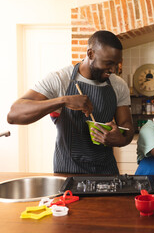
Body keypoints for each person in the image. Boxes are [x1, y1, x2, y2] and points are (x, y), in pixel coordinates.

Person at [7, 30, 135, 174]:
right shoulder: (60, 79)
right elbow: (13, 115)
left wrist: (122, 139)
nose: (113, 69)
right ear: (91, 54)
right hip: (67, 172)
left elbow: (127, 126)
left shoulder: (119, 85)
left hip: (107, 172)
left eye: (116, 64)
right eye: (108, 63)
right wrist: (63, 101)